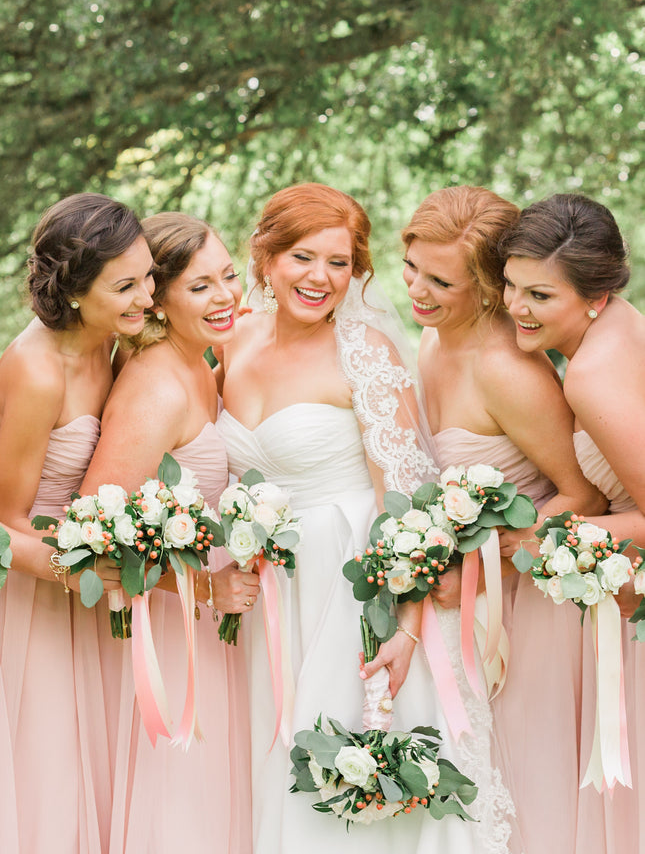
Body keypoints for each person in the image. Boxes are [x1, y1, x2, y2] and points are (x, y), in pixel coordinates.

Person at [218, 182, 515, 854]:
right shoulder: (227, 342)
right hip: (272, 593)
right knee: (281, 765)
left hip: (356, 591)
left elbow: (406, 504)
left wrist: (406, 630)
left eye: (338, 262)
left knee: (356, 777)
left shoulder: (367, 354)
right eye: (301, 256)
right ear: (264, 255)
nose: (319, 278)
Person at [401, 186, 607, 854]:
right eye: (412, 269)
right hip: (462, 607)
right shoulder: (431, 344)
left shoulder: (504, 368)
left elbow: (582, 495)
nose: (418, 292)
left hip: (527, 607)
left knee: (527, 796)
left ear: (489, 286)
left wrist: (477, 558)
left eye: (441, 281)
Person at [81, 212, 259, 853]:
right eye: (201, 286)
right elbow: (96, 531)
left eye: (229, 277)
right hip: (177, 633)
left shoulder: (200, 364)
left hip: (209, 634)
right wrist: (205, 593)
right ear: (160, 296)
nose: (225, 296)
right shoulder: (155, 383)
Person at [0, 193, 155, 853]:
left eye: (148, 275)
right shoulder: (36, 372)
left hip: (93, 593)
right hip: (35, 600)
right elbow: (3, 526)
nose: (147, 296)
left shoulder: (116, 344)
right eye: (124, 286)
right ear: (73, 293)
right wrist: (83, 568)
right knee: (50, 778)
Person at [501, 192, 645, 854]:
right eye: (509, 285)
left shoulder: (590, 374)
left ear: (593, 294)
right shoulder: (618, 323)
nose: (515, 308)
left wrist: (553, 539)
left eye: (538, 296)